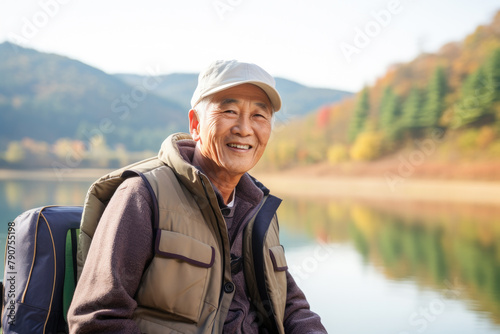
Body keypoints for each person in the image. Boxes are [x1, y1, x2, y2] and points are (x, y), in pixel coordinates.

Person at [68, 60, 327, 333]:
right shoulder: (143, 195)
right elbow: (96, 320)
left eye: (259, 116)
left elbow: (290, 307)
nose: (244, 128)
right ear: (195, 124)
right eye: (229, 111)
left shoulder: (258, 209)